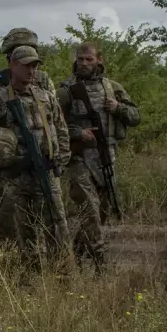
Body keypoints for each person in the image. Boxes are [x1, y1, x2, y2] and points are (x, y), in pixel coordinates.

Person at [0, 45, 71, 262]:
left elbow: (61, 129)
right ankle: (20, 280)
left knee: (57, 228)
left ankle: (61, 278)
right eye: (26, 65)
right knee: (15, 232)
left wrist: (61, 160)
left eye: (35, 65)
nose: (31, 70)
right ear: (13, 65)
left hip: (46, 173)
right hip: (13, 177)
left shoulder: (47, 97)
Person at [58, 42, 140, 267]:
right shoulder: (66, 90)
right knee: (90, 210)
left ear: (99, 60)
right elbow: (52, 123)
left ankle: (73, 255)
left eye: (89, 59)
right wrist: (77, 132)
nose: (84, 63)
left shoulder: (112, 87)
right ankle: (100, 263)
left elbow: (135, 117)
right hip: (79, 157)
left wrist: (118, 108)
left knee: (101, 213)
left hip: (107, 157)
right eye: (80, 59)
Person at [0, 29, 56, 218]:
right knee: (10, 220)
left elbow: (53, 116)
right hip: (10, 161)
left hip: (40, 158)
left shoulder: (42, 79)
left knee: (51, 218)